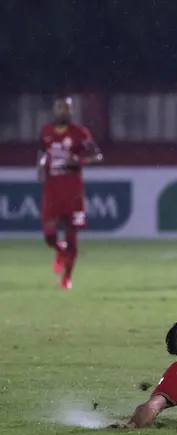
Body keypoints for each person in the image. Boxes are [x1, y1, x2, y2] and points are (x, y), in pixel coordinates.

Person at [37, 95, 103, 290]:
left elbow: (97, 155)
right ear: (54, 110)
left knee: (71, 234)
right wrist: (40, 167)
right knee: (49, 235)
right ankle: (59, 250)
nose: (62, 111)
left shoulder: (80, 133)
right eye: (59, 107)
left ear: (70, 110)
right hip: (52, 187)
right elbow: (42, 153)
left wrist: (80, 161)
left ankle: (67, 277)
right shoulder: (46, 131)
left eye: (66, 108)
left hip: (73, 187)